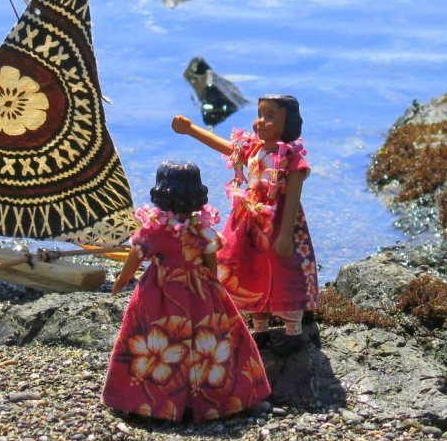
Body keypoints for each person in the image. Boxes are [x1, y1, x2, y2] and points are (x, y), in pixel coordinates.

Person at [101, 161, 271, 423]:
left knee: (155, 340)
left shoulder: (155, 230)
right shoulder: (202, 229)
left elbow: (136, 256)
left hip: (160, 289)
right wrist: (213, 287)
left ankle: (149, 400)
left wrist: (122, 281)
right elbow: (211, 264)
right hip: (200, 290)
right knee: (209, 341)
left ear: (161, 192)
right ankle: (210, 399)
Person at [171, 95, 319, 356]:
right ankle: (259, 327)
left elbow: (294, 200)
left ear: (289, 123)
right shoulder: (253, 149)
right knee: (247, 267)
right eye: (260, 114)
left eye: (271, 116)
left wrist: (285, 235)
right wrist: (191, 129)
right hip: (247, 220)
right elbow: (225, 147)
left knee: (283, 270)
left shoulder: (292, 161)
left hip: (278, 222)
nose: (261, 122)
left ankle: (293, 330)